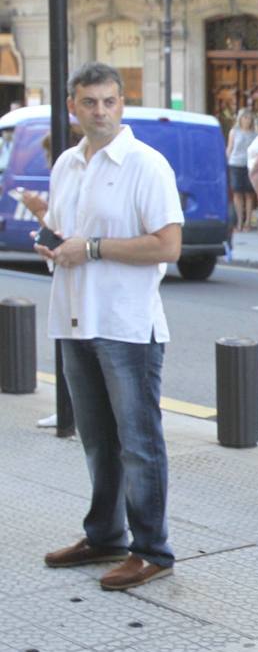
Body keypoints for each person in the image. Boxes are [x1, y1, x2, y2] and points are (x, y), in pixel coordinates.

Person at [38, 62, 183, 591]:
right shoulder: (67, 165)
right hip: (74, 318)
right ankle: (104, 535)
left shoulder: (147, 164)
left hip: (126, 324)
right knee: (98, 439)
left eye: (109, 101)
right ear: (73, 106)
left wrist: (92, 248)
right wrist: (55, 246)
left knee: (139, 443)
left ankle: (152, 550)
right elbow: (66, 233)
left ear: (122, 104)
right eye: (89, 102)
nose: (99, 111)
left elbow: (168, 245)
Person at [226, 109, 257, 233]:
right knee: (237, 193)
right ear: (240, 119)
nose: (247, 120)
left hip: (250, 165)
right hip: (235, 164)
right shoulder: (234, 132)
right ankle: (238, 222)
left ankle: (248, 222)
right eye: (244, 118)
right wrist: (225, 162)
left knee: (249, 194)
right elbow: (230, 148)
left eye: (249, 118)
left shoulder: (255, 133)